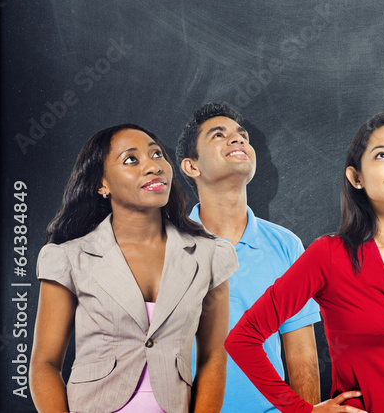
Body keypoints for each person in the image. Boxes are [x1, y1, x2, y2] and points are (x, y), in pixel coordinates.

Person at [227, 113, 384, 413]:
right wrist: (302, 410)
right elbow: (242, 339)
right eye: (382, 154)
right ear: (356, 177)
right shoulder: (329, 255)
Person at [30, 124, 236, 413]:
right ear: (103, 184)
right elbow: (45, 364)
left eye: (157, 154)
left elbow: (214, 356)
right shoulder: (68, 258)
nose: (153, 166)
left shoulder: (210, 254)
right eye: (131, 159)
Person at [176, 102, 322, 413]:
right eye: (219, 135)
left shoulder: (287, 246)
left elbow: (301, 354)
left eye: (242, 135)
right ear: (192, 166)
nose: (238, 139)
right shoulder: (165, 246)